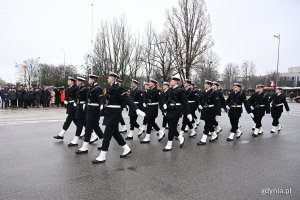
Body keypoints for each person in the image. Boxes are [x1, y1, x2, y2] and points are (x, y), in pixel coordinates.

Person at [92, 72, 145, 164]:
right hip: (110, 113)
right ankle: (126, 148)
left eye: (108, 78)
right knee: (115, 133)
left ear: (113, 78)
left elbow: (127, 99)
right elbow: (108, 101)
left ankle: (102, 155)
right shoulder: (111, 88)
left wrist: (136, 109)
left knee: (107, 134)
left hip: (115, 114)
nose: (107, 79)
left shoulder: (119, 88)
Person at [161, 77, 192, 151]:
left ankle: (169, 144)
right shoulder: (170, 90)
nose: (170, 82)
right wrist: (164, 108)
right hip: (169, 110)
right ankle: (181, 138)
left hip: (176, 111)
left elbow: (185, 102)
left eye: (171, 81)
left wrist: (188, 113)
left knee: (171, 128)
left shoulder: (180, 90)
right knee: (172, 126)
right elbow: (165, 99)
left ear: (176, 82)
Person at [76, 75, 105, 154]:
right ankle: (104, 142)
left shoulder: (98, 88)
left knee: (88, 128)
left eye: (89, 79)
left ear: (93, 80)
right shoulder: (90, 88)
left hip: (94, 111)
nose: (88, 80)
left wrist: (102, 105)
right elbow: (87, 98)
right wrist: (85, 103)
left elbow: (101, 98)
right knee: (96, 127)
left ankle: (85, 147)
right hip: (89, 110)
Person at [140, 79, 164, 143]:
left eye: (150, 82)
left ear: (154, 84)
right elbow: (146, 98)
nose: (149, 83)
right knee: (151, 122)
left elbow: (160, 100)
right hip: (148, 107)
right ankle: (160, 132)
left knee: (150, 122)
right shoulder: (149, 90)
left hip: (154, 108)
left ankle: (147, 137)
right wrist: (144, 103)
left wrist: (163, 109)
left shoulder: (157, 91)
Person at [197, 80, 221, 145]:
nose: (204, 85)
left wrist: (218, 113)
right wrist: (199, 105)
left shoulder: (214, 92)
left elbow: (217, 103)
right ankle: (214, 135)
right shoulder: (203, 92)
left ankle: (203, 139)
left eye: (205, 84)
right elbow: (199, 100)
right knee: (208, 123)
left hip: (211, 110)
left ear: (209, 85)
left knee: (207, 125)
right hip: (204, 110)